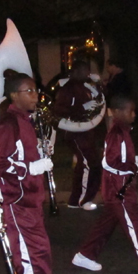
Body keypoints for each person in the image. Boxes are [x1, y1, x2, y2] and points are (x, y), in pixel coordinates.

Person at [71, 94, 138, 274]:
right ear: (117, 112)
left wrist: (136, 160)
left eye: (134, 110)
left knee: (106, 224)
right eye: (130, 111)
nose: (133, 114)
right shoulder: (117, 133)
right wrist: (134, 167)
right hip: (120, 190)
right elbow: (109, 162)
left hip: (116, 188)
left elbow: (120, 158)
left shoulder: (122, 131)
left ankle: (85, 255)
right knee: (135, 228)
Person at [0, 73, 57, 274]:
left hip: (28, 197)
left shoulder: (25, 121)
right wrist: (30, 168)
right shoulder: (9, 124)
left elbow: (19, 152)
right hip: (18, 199)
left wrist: (39, 152)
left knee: (21, 249)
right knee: (35, 251)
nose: (35, 95)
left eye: (35, 90)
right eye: (29, 91)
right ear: (14, 95)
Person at [52, 60, 102, 210]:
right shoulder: (67, 89)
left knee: (85, 164)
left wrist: (98, 85)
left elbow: (101, 100)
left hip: (87, 133)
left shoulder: (86, 87)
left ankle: (75, 200)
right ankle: (83, 200)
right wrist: (81, 108)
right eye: (84, 71)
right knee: (89, 164)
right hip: (75, 134)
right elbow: (59, 110)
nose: (87, 74)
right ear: (75, 71)